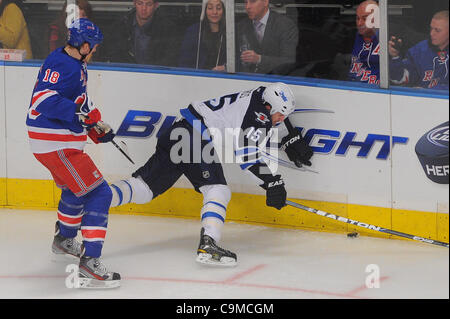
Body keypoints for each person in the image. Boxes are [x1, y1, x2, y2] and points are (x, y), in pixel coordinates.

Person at [108, 82, 314, 267]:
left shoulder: (261, 95)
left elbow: (262, 119)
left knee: (143, 189)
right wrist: (272, 182)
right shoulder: (258, 116)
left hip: (178, 132)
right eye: (280, 115)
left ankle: (96, 199)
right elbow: (248, 158)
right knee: (218, 189)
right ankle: (208, 243)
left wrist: (288, 133)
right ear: (268, 107)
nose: (281, 119)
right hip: (193, 137)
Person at [25, 18, 120, 288]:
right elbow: (42, 100)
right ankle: (90, 262)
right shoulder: (62, 64)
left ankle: (64, 238)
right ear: (85, 44)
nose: (96, 50)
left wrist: (95, 127)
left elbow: (80, 102)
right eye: (95, 46)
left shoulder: (75, 62)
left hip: (56, 141)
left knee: (76, 187)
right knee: (100, 192)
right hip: (56, 143)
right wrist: (81, 117)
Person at [105, 0, 179, 66]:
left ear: (156, 5)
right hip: (127, 74)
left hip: (156, 76)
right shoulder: (121, 25)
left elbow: (169, 59)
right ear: (134, 3)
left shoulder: (168, 29)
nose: (144, 8)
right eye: (140, 3)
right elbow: (114, 54)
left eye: (149, 4)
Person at [389, 10, 449, 90]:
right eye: (431, 28)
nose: (431, 33)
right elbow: (400, 80)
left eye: (437, 30)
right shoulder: (418, 51)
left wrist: (429, 91)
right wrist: (395, 57)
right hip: (422, 101)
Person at [237, 0, 298, 74]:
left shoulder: (285, 25)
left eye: (253, 1)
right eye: (245, 2)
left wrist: (259, 59)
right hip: (246, 79)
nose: (247, 7)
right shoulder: (241, 26)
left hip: (277, 80)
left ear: (265, 2)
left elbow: (289, 61)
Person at [178, 0, 226, 71]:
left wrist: (225, 67)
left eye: (218, 8)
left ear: (224, 11)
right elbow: (183, 62)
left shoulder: (231, 32)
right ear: (204, 10)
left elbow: (237, 61)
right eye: (210, 8)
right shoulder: (193, 31)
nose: (214, 12)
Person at [348, 0, 380, 85]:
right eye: (357, 18)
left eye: (365, 18)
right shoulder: (353, 36)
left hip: (378, 93)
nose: (359, 23)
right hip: (351, 89)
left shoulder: (388, 39)